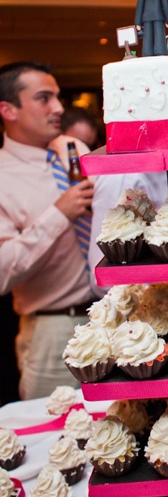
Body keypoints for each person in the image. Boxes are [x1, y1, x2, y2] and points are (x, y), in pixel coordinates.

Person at [0, 61, 95, 398]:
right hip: (53, 329)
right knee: (57, 440)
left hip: (112, 316)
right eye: (44, 98)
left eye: (57, 97)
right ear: (8, 109)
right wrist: (59, 214)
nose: (58, 108)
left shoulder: (73, 148)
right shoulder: (3, 176)